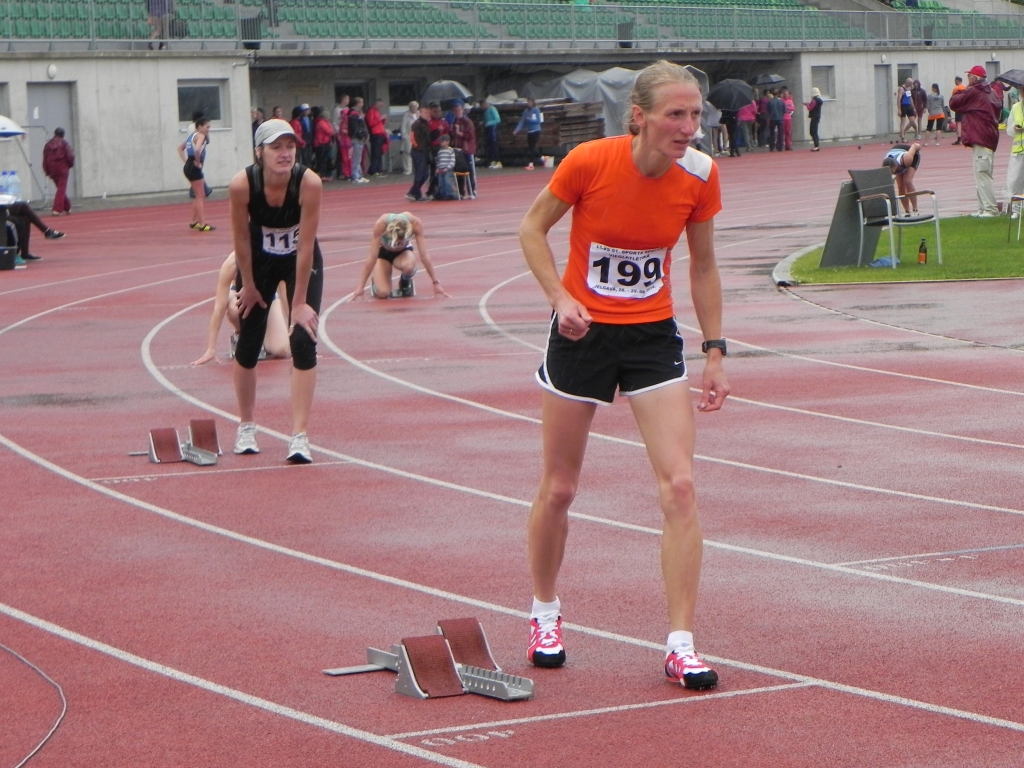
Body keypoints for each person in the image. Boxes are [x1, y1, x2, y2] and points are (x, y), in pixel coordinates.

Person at [518, 59, 728, 691]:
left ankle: (681, 643)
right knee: (559, 488)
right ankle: (544, 613)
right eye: (675, 114)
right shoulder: (589, 161)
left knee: (681, 486)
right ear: (640, 117)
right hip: (582, 334)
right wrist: (560, 297)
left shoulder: (701, 175)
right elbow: (531, 230)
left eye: (695, 114)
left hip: (651, 336)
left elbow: (704, 267)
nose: (688, 126)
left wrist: (715, 350)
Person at [228, 118, 324, 463]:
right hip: (259, 259)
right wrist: (250, 286)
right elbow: (240, 238)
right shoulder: (242, 185)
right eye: (276, 147)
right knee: (250, 338)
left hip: (300, 258)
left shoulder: (308, 183)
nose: (285, 154)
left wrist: (298, 303)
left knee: (302, 339)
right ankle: (246, 425)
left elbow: (306, 246)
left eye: (290, 146)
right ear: (259, 152)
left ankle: (299, 435)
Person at [191, 252, 291, 366]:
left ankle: (261, 337)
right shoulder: (231, 264)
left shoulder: (274, 258)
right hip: (241, 295)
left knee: (281, 350)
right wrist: (211, 349)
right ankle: (240, 335)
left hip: (267, 298)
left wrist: (295, 333)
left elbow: (286, 299)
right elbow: (219, 308)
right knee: (234, 307)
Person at [351, 212, 449, 300]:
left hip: (403, 253)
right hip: (383, 254)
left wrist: (435, 283)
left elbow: (424, 256)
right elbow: (372, 257)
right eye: (396, 241)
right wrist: (361, 286)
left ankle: (405, 281)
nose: (398, 243)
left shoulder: (415, 223)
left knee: (409, 266)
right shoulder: (381, 225)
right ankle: (376, 283)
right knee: (383, 293)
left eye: (401, 241)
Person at [949, 65, 1002, 218]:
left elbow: (954, 103)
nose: (968, 80)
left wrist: (961, 90)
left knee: (982, 174)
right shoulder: (992, 93)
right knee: (982, 174)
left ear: (976, 78)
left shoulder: (974, 91)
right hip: (989, 137)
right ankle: (983, 208)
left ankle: (990, 209)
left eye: (970, 77)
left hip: (980, 137)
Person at [178, 115, 214, 231]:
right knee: (200, 195)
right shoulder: (201, 136)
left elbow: (180, 148)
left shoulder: (191, 136)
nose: (208, 129)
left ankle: (194, 221)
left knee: (198, 194)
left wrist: (186, 162)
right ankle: (202, 224)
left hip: (188, 166)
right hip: (194, 168)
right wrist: (198, 163)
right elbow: (197, 150)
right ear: (200, 127)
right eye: (207, 127)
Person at [882, 142, 922, 216]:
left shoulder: (907, 159)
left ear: (896, 167)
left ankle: (915, 209)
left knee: (907, 181)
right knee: (900, 185)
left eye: (893, 172)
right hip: (895, 151)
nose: (892, 174)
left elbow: (915, 145)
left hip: (911, 153)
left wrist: (919, 147)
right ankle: (907, 211)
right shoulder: (885, 165)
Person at [42, 127, 75, 216]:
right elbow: (70, 155)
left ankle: (67, 207)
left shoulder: (48, 144)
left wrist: (46, 170)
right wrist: (70, 164)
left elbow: (45, 158)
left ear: (55, 133)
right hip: (62, 168)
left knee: (60, 188)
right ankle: (57, 209)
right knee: (61, 188)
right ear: (63, 135)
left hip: (52, 169)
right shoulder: (64, 143)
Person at [449, 100, 477, 197]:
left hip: (467, 150)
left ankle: (472, 191)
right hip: (457, 150)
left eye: (459, 110)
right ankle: (461, 192)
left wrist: (458, 132)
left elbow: (469, 136)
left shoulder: (467, 122)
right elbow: (451, 136)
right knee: (459, 172)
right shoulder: (454, 121)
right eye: (455, 111)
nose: (457, 112)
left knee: (469, 171)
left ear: (462, 110)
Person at [406, 104, 431, 202]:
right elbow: (412, 137)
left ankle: (416, 193)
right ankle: (413, 192)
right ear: (420, 113)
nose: (427, 114)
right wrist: (418, 147)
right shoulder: (417, 123)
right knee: (421, 173)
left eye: (428, 113)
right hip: (418, 152)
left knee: (424, 174)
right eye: (425, 112)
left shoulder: (426, 124)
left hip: (424, 151)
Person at [1005, 96, 1024, 218]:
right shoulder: (1015, 107)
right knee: (1014, 181)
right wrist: (1014, 128)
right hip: (1018, 150)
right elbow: (1009, 129)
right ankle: (1016, 209)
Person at [514, 97, 543, 170]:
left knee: (532, 147)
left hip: (536, 130)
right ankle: (541, 158)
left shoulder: (536, 110)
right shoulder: (526, 111)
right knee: (531, 147)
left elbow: (539, 121)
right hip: (529, 131)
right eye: (527, 102)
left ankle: (531, 163)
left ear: (533, 102)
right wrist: (517, 130)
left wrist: (530, 119)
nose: (528, 103)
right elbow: (522, 121)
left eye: (530, 102)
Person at [347, 97, 370, 184]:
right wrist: (361, 135)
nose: (363, 104)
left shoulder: (356, 113)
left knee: (358, 158)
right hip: (357, 139)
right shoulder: (354, 114)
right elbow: (355, 127)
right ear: (357, 104)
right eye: (361, 103)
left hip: (358, 138)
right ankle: (355, 176)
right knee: (356, 158)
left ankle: (359, 175)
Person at [311, 106, 336, 181]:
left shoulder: (326, 122)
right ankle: (321, 175)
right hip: (321, 144)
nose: (328, 117)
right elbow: (329, 131)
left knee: (326, 160)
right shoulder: (321, 122)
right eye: (327, 116)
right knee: (321, 160)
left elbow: (331, 130)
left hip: (326, 143)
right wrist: (331, 130)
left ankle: (325, 174)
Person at [432, 134, 459, 200]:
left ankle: (450, 194)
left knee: (448, 182)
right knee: (441, 182)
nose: (441, 143)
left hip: (448, 170)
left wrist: (448, 168)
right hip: (441, 170)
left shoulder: (450, 150)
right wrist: (438, 168)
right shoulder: (440, 151)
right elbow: (438, 160)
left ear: (447, 142)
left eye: (442, 141)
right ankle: (443, 194)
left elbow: (452, 161)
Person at [366, 98, 389, 176]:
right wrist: (380, 118)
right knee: (375, 153)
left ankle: (379, 169)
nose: (380, 107)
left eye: (381, 106)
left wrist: (383, 120)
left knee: (379, 153)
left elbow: (379, 123)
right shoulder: (371, 111)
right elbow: (371, 123)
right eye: (379, 105)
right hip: (375, 134)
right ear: (375, 104)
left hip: (380, 134)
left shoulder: (376, 112)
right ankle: (373, 170)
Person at [334, 94, 352, 180]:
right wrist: (338, 133)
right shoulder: (337, 110)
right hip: (341, 135)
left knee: (348, 155)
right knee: (341, 155)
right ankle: (340, 172)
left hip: (347, 135)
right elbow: (335, 123)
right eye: (347, 99)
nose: (348, 101)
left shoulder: (348, 110)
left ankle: (348, 171)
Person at [481, 99, 502, 168]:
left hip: (493, 129)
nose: (482, 108)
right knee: (490, 146)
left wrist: (488, 123)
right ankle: (493, 161)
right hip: (489, 130)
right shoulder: (485, 111)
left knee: (494, 145)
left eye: (482, 106)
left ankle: (498, 162)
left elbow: (497, 119)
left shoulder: (492, 109)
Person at [400, 100, 419, 176]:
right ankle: (408, 169)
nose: (414, 108)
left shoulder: (419, 114)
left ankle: (417, 168)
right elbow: (403, 127)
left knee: (418, 153)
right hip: (409, 135)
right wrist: (404, 136)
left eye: (415, 107)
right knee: (408, 153)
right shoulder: (406, 115)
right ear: (410, 107)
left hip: (418, 136)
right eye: (412, 107)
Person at [805, 87, 823, 151]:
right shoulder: (819, 100)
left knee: (813, 131)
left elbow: (810, 108)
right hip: (817, 117)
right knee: (814, 131)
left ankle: (816, 145)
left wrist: (807, 104)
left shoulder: (814, 100)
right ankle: (816, 145)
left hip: (814, 117)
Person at [951, 76, 966, 145]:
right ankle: (965, 137)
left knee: (958, 123)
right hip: (966, 107)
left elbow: (953, 99)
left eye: (955, 81)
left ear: (957, 81)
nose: (954, 82)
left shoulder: (956, 89)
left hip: (959, 107)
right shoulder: (966, 88)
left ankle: (959, 138)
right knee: (965, 122)